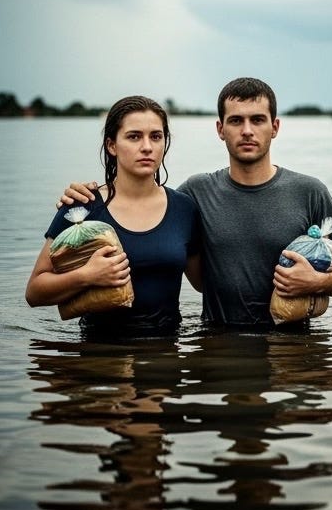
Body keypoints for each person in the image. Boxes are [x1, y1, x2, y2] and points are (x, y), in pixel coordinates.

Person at [57, 77, 332, 328]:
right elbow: (141, 206)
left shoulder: (309, 191)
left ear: (275, 127)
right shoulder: (195, 193)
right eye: (235, 120)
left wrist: (317, 281)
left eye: (257, 119)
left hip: (292, 343)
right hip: (216, 339)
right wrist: (90, 195)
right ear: (220, 129)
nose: (247, 130)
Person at [26, 95, 202, 336]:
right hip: (100, 353)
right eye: (134, 136)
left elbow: (204, 283)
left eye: (156, 136)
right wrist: (86, 276)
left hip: (166, 352)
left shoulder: (184, 208)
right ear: (112, 145)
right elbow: (34, 292)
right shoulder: (83, 205)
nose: (147, 147)